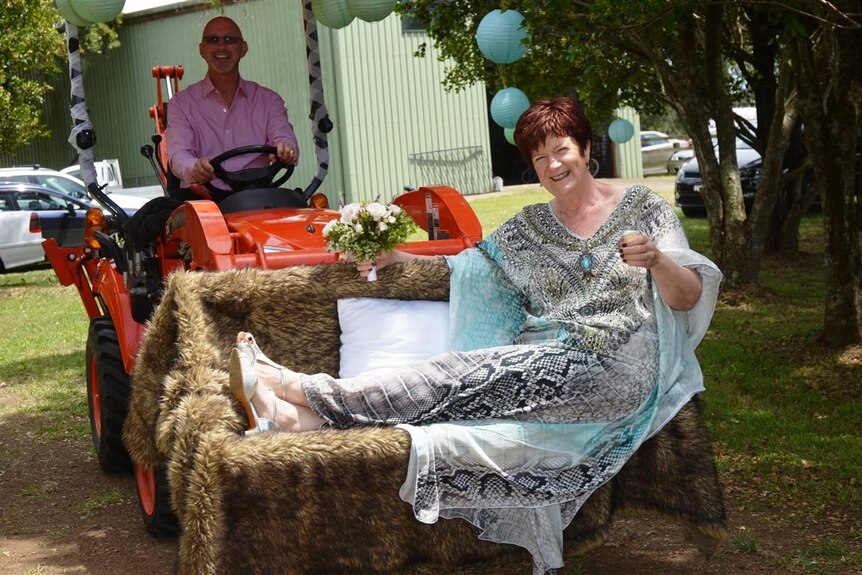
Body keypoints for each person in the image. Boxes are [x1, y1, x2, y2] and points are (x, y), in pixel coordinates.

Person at [228, 97, 722, 574]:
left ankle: (295, 388)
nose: (552, 164)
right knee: (453, 391)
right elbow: (473, 268)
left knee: (458, 377)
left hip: (621, 368)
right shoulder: (530, 227)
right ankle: (296, 419)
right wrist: (400, 258)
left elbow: (687, 297)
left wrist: (657, 260)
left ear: (587, 150)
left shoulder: (641, 207)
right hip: (552, 356)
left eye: (562, 149)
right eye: (539, 156)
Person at [165, 16, 299, 202]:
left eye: (229, 40)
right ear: (202, 50)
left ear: (243, 48)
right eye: (213, 40)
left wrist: (285, 149)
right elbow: (179, 154)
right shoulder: (181, 104)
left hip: (257, 196)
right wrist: (195, 167)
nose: (221, 47)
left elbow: (284, 137)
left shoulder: (269, 101)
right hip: (203, 200)